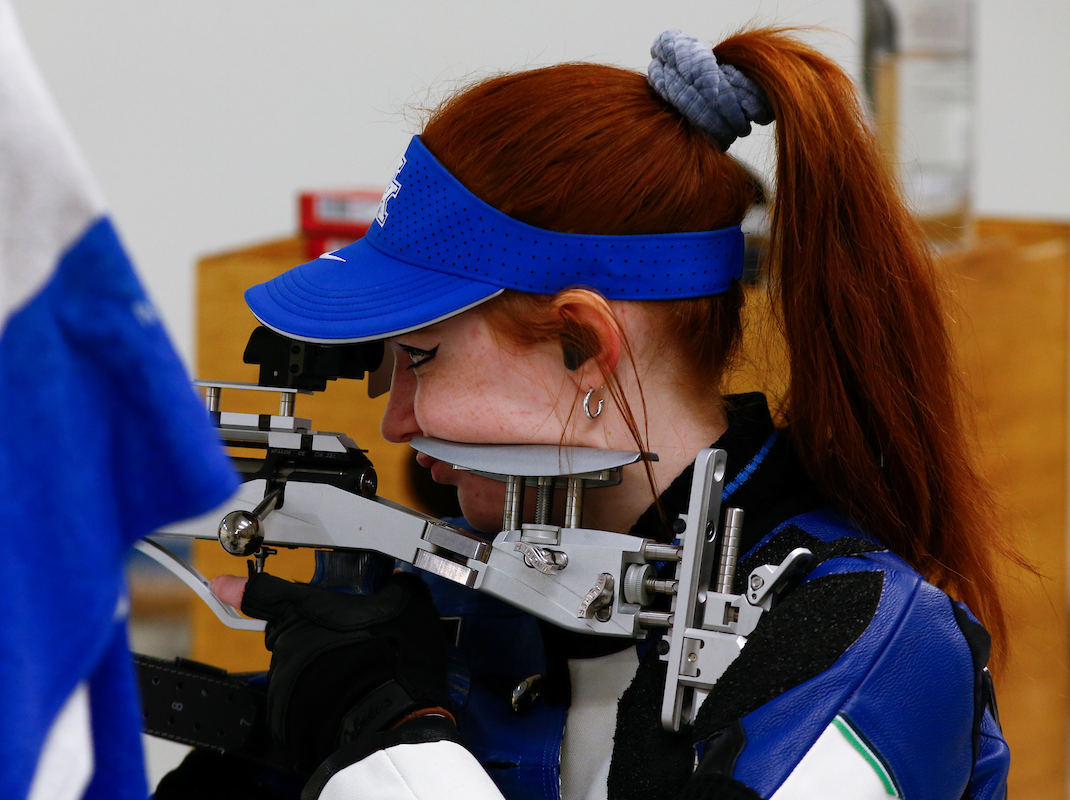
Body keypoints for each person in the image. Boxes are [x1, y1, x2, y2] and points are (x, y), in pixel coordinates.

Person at [159, 26, 1014, 800]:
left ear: (583, 345)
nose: (397, 422)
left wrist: (395, 752)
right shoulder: (443, 612)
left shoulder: (874, 646)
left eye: (420, 358)